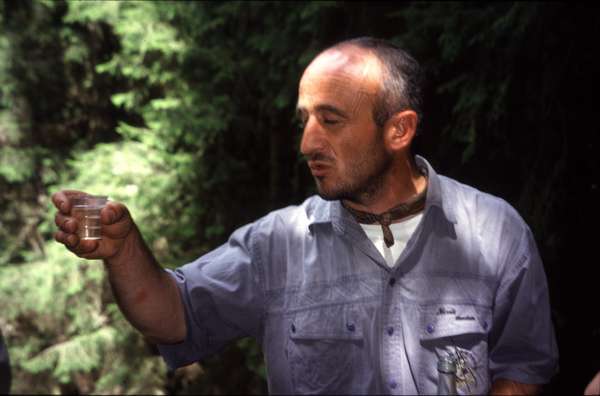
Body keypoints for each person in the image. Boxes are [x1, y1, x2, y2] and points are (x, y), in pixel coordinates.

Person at [53, 37, 558, 394]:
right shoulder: (276, 245)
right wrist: (124, 251)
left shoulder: (496, 231)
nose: (307, 143)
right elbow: (171, 316)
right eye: (304, 120)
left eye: (330, 120)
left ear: (399, 131)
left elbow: (524, 365)